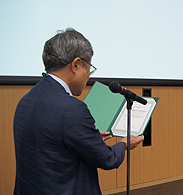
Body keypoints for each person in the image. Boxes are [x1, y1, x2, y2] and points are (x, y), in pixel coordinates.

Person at [13, 28, 144, 195]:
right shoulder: (72, 108)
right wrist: (124, 144)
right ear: (75, 65)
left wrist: (90, 138)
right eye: (89, 68)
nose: (89, 75)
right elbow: (107, 159)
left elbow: (52, 146)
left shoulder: (25, 101)